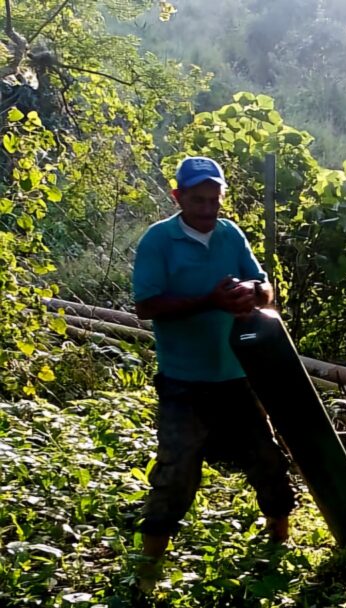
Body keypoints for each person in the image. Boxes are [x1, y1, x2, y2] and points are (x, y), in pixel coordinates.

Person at [132, 155, 296, 580]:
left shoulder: (230, 235)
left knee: (268, 461)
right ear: (178, 197)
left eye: (214, 200)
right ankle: (148, 567)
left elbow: (265, 288)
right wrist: (211, 301)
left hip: (237, 376)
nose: (207, 209)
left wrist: (251, 291)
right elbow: (146, 306)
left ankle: (280, 541)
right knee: (176, 474)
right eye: (197, 200)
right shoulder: (158, 241)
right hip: (183, 382)